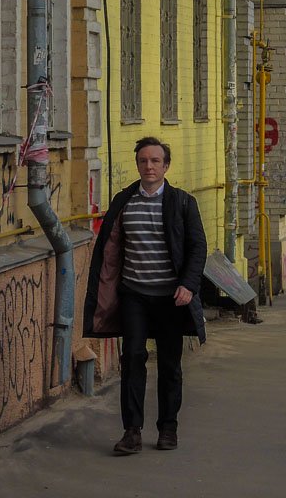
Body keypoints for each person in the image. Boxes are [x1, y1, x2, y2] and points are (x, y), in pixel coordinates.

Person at [83, 137, 207, 455]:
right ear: (138, 164)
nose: (149, 166)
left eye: (155, 161)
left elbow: (197, 247)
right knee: (133, 360)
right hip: (134, 295)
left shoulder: (182, 202)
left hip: (170, 298)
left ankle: (168, 428)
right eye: (143, 161)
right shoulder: (125, 202)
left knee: (169, 364)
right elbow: (110, 250)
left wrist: (188, 285)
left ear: (166, 166)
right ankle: (132, 431)